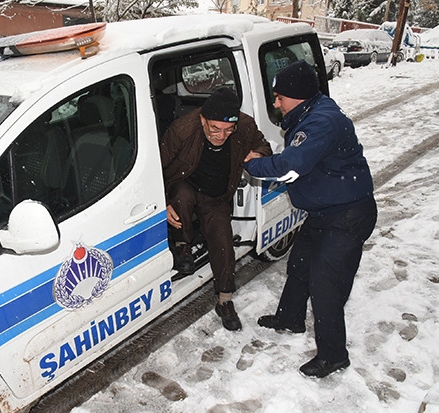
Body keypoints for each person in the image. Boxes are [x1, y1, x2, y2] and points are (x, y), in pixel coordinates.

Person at [244, 60, 377, 378]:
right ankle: (289, 318)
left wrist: (250, 164)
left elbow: (291, 166)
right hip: (325, 211)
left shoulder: (321, 122)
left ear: (297, 96)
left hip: (346, 216)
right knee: (300, 265)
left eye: (279, 97)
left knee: (326, 286)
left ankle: (334, 356)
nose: (276, 103)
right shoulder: (311, 112)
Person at [160, 87, 272, 331]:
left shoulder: (245, 126)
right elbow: (156, 167)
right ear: (203, 119)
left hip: (216, 195)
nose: (221, 136)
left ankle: (225, 300)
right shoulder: (183, 129)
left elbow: (264, 146)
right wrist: (162, 203)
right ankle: (183, 245)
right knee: (181, 197)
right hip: (186, 183)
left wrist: (258, 153)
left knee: (223, 241)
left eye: (228, 130)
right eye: (215, 129)